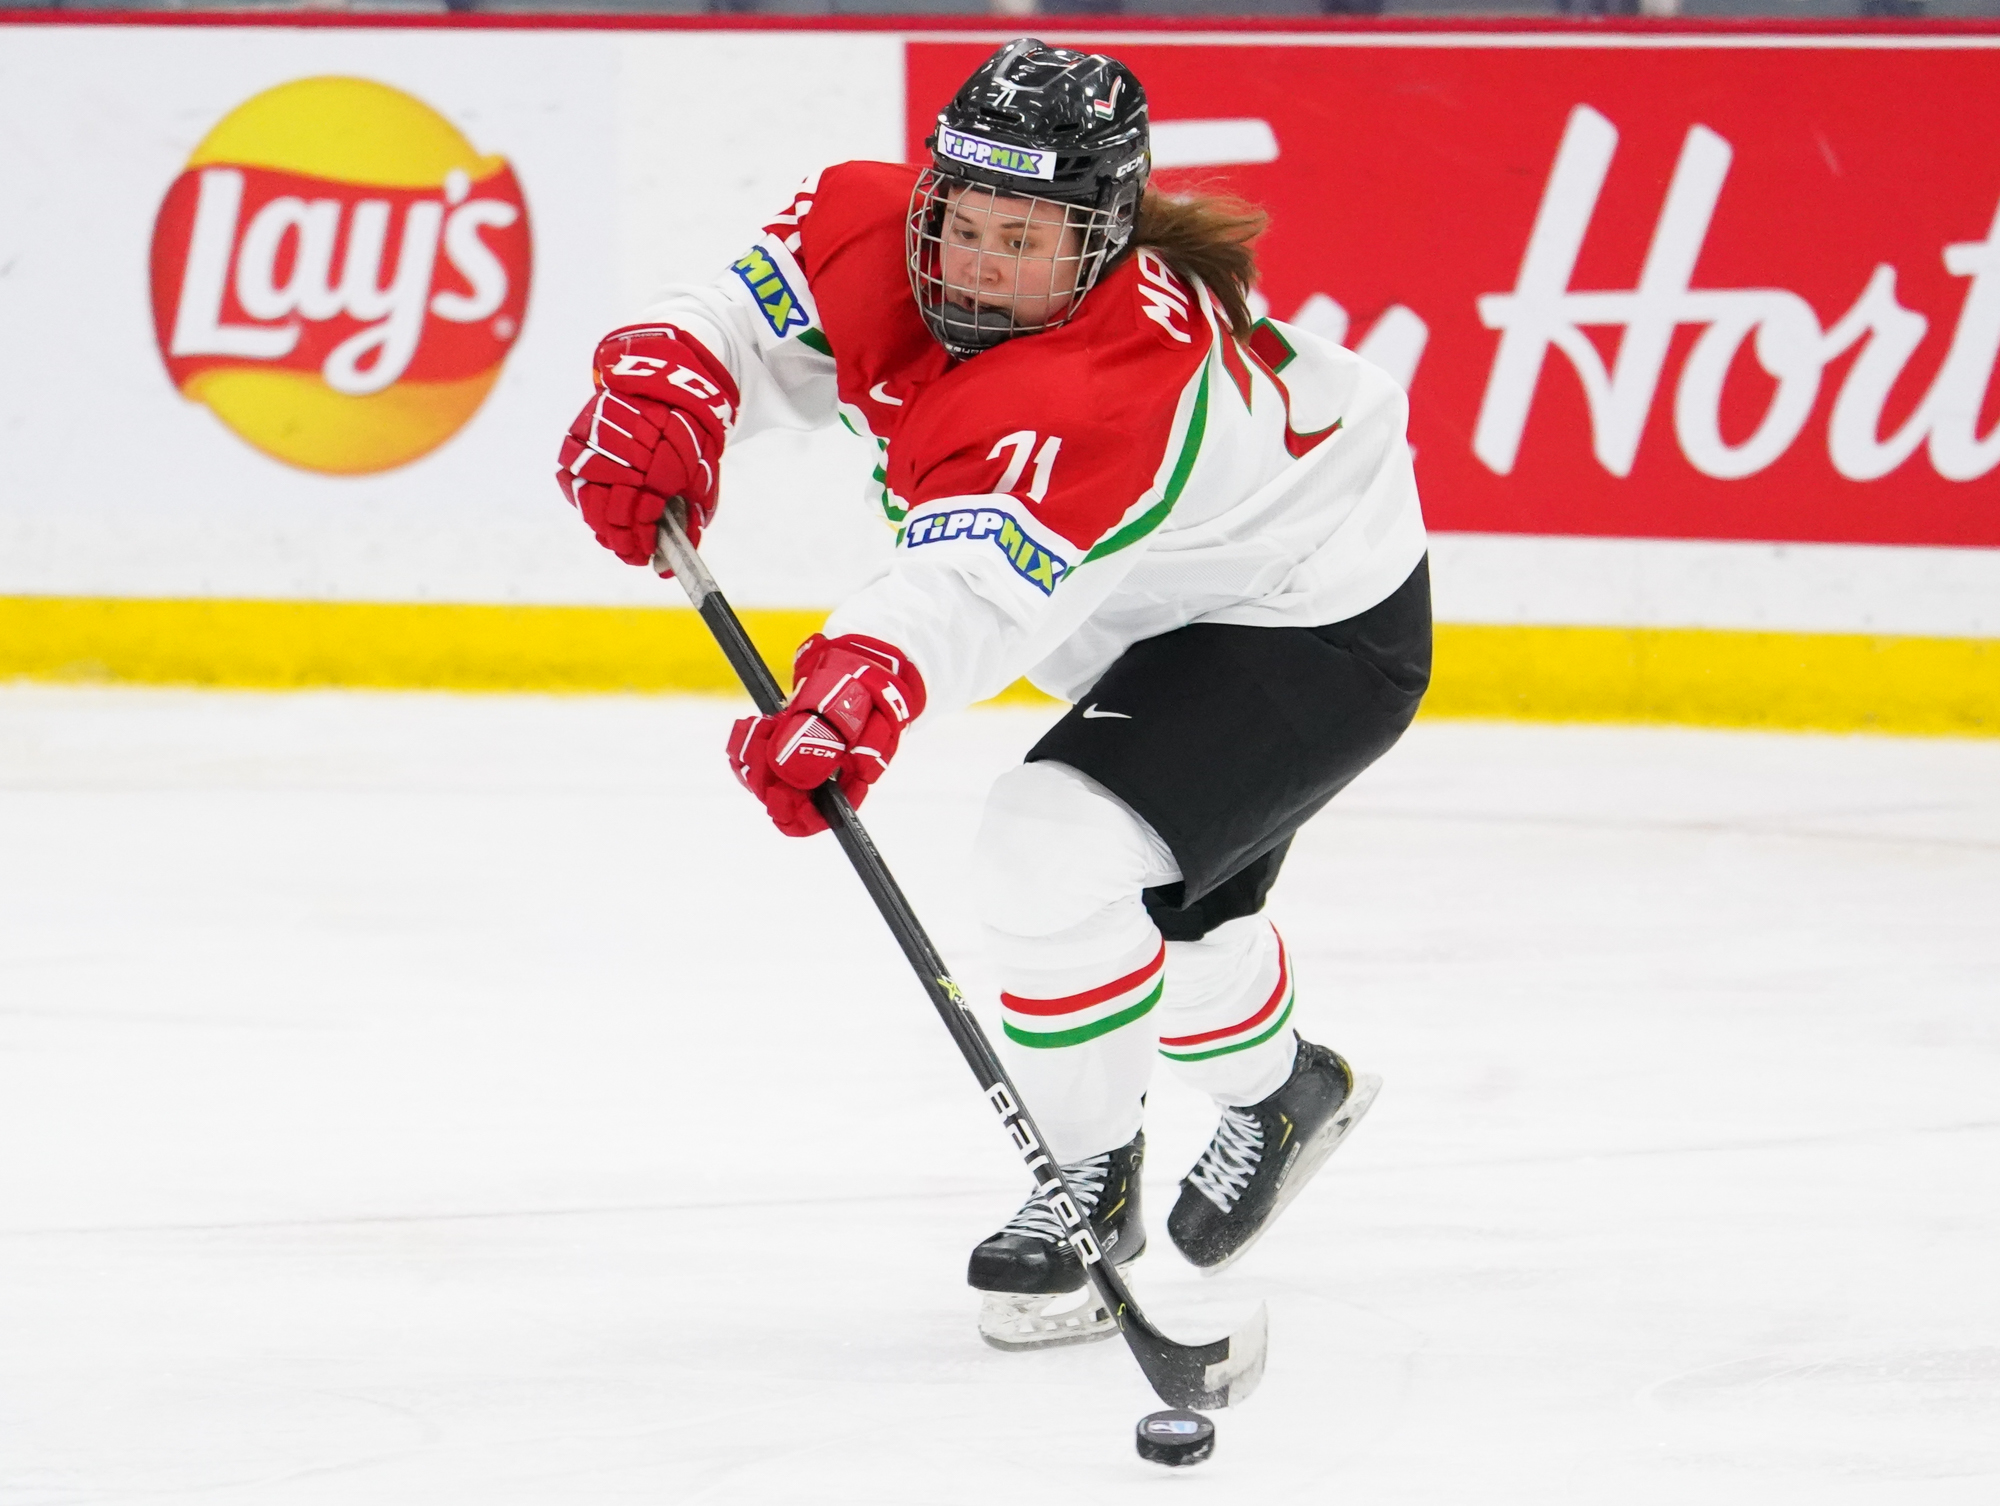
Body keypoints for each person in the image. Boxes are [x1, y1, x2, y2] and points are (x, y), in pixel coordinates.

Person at [556, 39, 1431, 1351]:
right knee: (1172, 929)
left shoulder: (1109, 375)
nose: (973, 265)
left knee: (1051, 854)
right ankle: (1289, 1091)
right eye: (962, 223)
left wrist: (860, 682)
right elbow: (741, 316)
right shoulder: (875, 228)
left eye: (1022, 241)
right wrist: (669, 381)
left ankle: (1086, 1195)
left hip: (1313, 612)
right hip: (1145, 607)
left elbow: (967, 584)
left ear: (1103, 240)